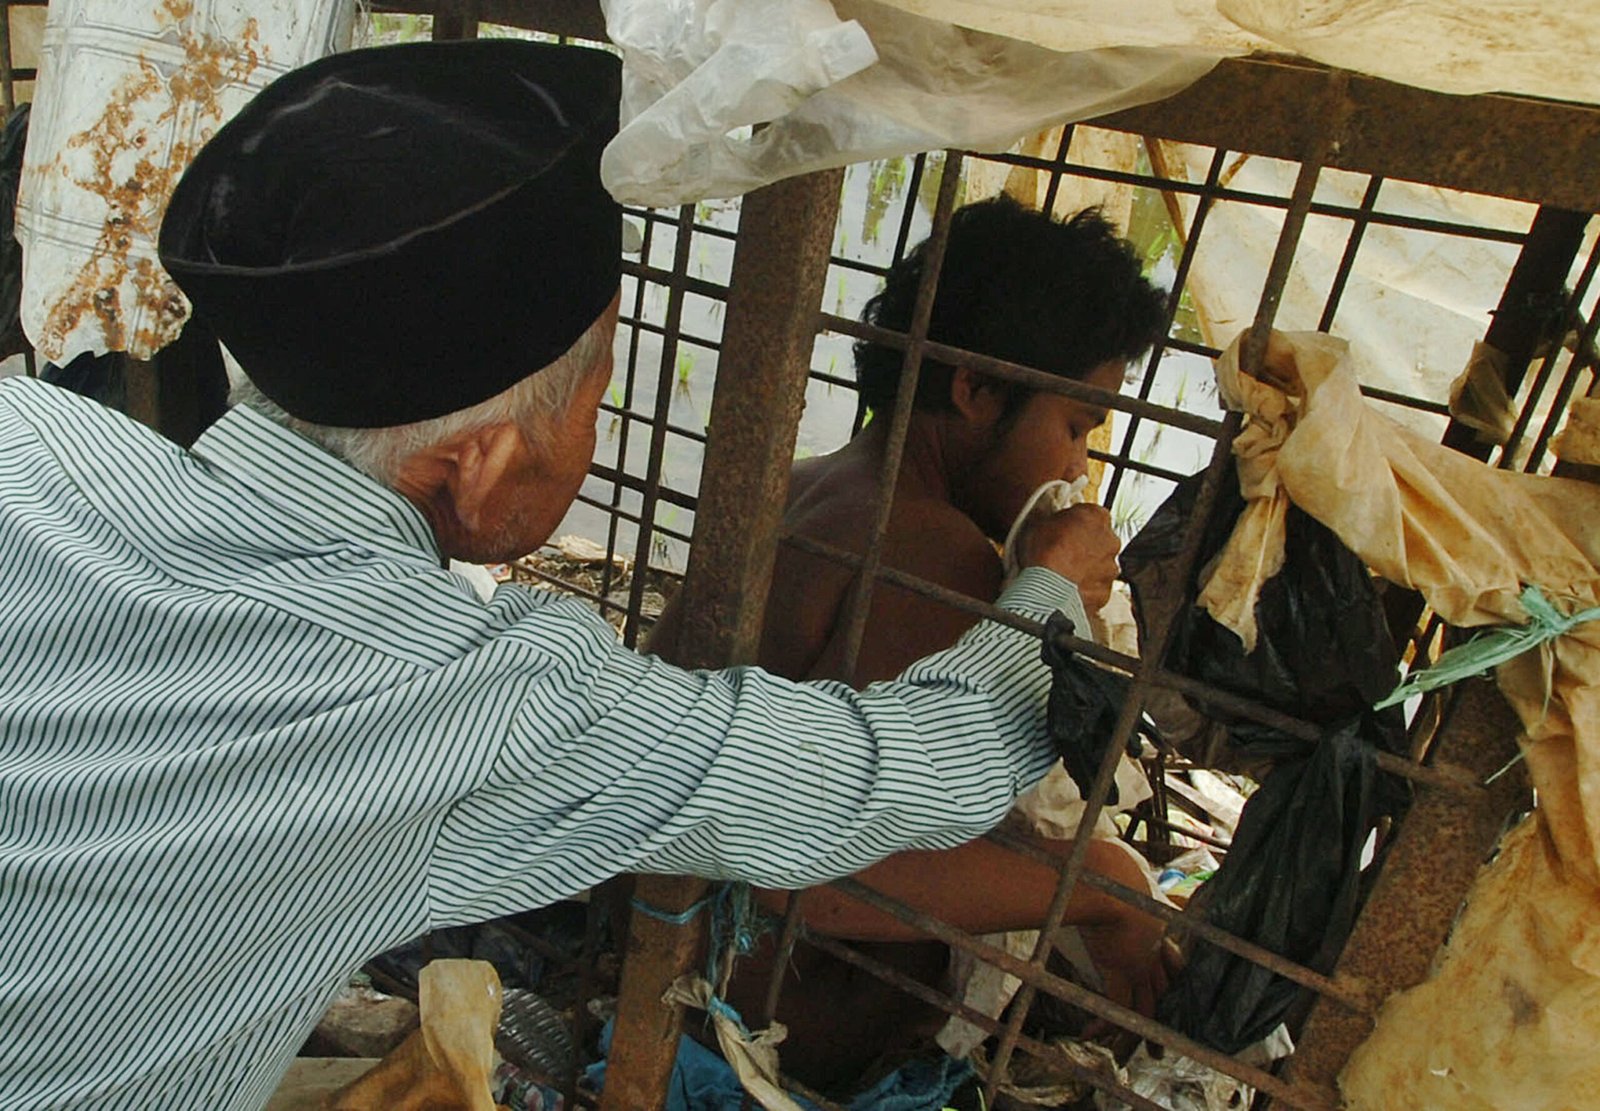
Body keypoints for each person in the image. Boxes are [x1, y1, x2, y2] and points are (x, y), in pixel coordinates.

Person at [0, 40, 1113, 1111]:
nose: (596, 420)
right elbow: (886, 776)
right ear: (478, 464)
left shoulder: (27, 440)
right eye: (597, 388)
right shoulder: (462, 702)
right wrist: (1051, 591)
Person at [649, 196, 1175, 1095]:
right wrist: (1094, 884)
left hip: (653, 974)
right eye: (1077, 426)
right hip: (741, 1049)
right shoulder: (930, 548)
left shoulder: (809, 485)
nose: (1081, 466)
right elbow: (806, 864)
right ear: (974, 391)